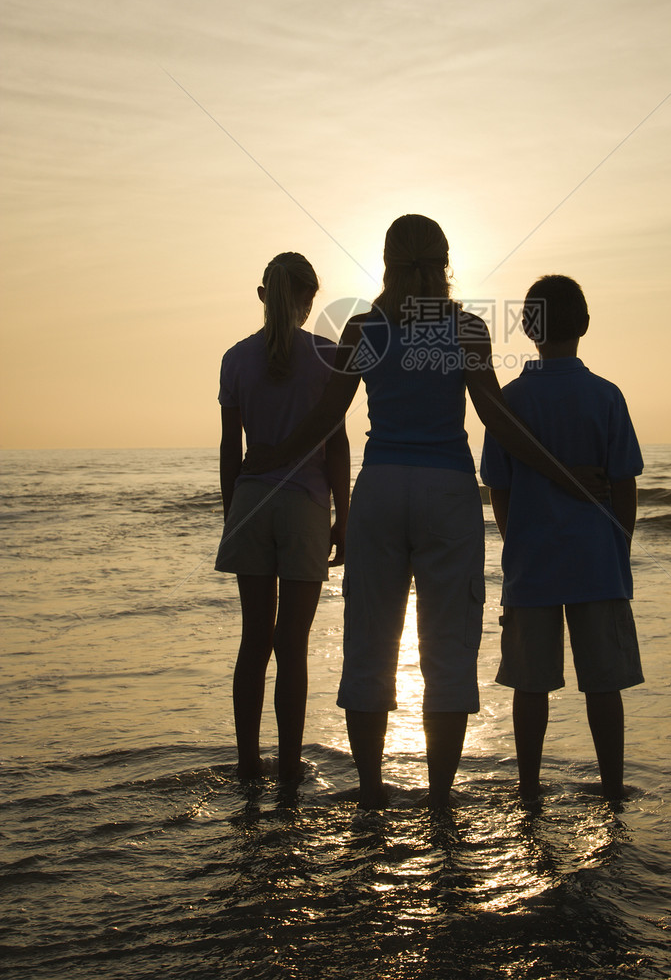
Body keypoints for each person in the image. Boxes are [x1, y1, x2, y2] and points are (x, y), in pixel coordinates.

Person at [244, 216, 605, 810]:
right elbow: (498, 420)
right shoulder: (465, 329)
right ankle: (439, 800)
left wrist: (275, 455)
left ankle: (370, 796)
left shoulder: (364, 328)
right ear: (444, 263)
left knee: (369, 646)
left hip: (381, 490)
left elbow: (325, 420)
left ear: (386, 262)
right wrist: (566, 473)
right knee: (446, 651)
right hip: (446, 492)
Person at [480, 274, 644, 802]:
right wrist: (620, 546)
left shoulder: (509, 402)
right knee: (604, 685)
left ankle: (529, 790)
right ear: (585, 325)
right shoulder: (606, 396)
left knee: (530, 686)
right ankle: (612, 787)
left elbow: (498, 490)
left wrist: (516, 543)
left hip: (533, 562)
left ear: (529, 328)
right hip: (598, 561)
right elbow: (624, 486)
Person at [217, 251, 350, 783]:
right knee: (291, 644)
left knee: (255, 639)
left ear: (264, 295)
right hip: (305, 506)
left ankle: (249, 763)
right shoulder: (328, 355)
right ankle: (289, 765)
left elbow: (231, 448)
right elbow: (336, 444)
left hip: (253, 502)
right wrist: (345, 513)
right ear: (307, 300)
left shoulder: (235, 358)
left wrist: (234, 514)